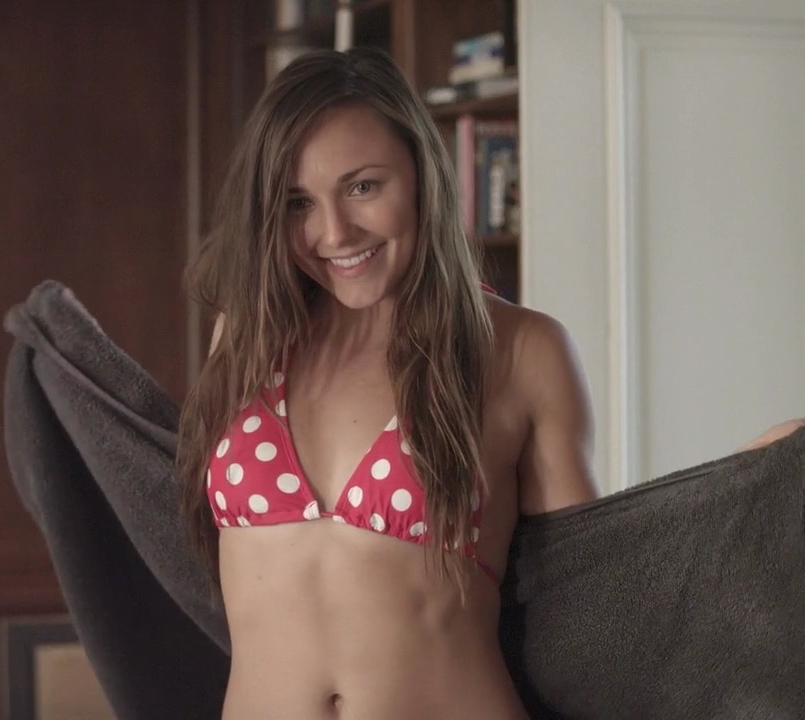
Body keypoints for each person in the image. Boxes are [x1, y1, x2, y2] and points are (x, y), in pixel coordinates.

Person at [175, 47, 802, 720]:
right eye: (298, 202)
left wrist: (736, 496)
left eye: (363, 188)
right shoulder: (247, 337)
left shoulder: (522, 350)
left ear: (424, 173)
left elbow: (592, 586)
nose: (333, 232)